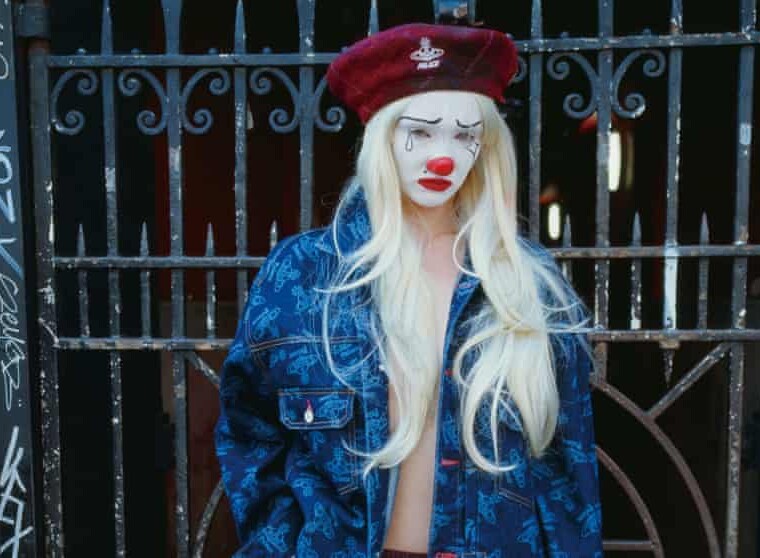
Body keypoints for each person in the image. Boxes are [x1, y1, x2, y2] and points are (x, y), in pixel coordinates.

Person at [215, 22, 603, 558]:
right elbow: (249, 435)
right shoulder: (301, 275)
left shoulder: (527, 279)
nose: (443, 156)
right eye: (419, 132)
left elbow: (569, 468)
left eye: (464, 135)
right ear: (382, 138)